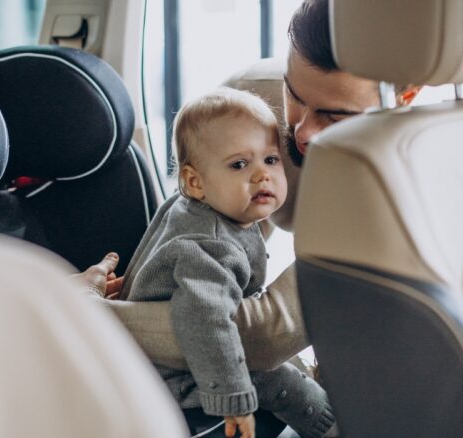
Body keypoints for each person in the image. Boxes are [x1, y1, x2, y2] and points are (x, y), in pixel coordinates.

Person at [83, 0, 419, 374]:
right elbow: (205, 254)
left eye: (334, 115)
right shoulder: (250, 107)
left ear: (405, 97)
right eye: (295, 95)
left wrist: (79, 312)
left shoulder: (404, 180)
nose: (303, 131)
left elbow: (260, 337)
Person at [121, 88, 336, 438]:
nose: (262, 175)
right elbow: (205, 320)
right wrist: (233, 399)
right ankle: (326, 424)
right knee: (277, 377)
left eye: (270, 160)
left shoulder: (193, 206)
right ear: (195, 182)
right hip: (177, 378)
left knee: (287, 363)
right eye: (239, 164)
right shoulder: (208, 246)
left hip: (174, 362)